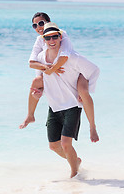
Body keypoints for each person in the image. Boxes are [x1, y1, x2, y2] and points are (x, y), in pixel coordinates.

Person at [20, 22, 100, 178]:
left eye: (54, 37)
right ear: (43, 39)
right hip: (54, 106)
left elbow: (94, 70)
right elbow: (41, 80)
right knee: (54, 146)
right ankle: (75, 161)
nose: (51, 40)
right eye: (48, 38)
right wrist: (39, 93)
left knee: (65, 143)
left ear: (60, 37)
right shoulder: (41, 58)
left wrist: (83, 88)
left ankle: (74, 176)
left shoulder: (72, 57)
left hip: (72, 105)